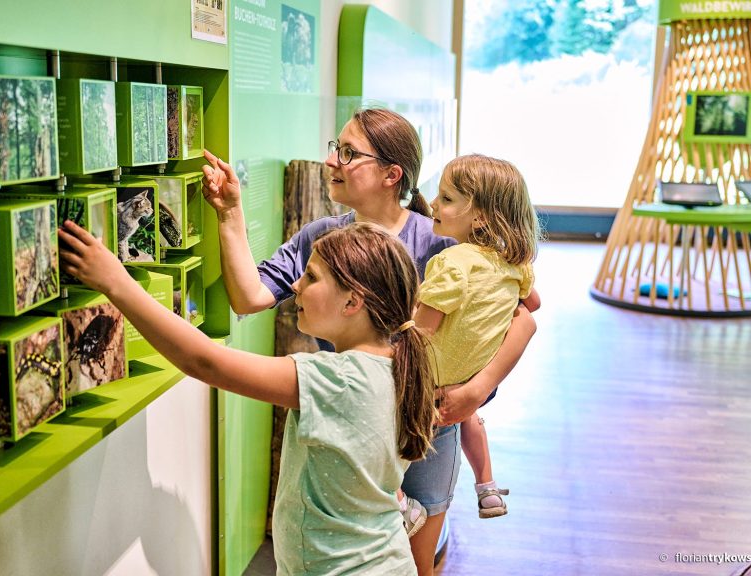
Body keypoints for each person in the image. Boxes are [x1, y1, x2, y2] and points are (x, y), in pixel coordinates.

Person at [201, 107, 537, 576]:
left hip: (430, 424)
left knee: (415, 562)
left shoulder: (442, 242)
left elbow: (520, 318)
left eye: (348, 152)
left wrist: (475, 393)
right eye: (336, 149)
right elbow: (249, 295)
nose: (332, 162)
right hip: (348, 427)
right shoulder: (323, 237)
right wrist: (230, 214)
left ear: (390, 174)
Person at [59, 220, 436, 576]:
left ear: (353, 302)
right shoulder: (394, 367)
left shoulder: (339, 380)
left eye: (311, 277)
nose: (296, 286)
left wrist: (117, 283)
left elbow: (205, 361)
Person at [409, 154, 541, 523]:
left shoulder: (452, 263)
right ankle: (487, 488)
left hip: (429, 381)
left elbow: (420, 333)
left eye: (447, 199)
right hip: (467, 379)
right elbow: (532, 304)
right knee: (472, 420)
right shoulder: (514, 265)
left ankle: (402, 505)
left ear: (480, 215)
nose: (434, 204)